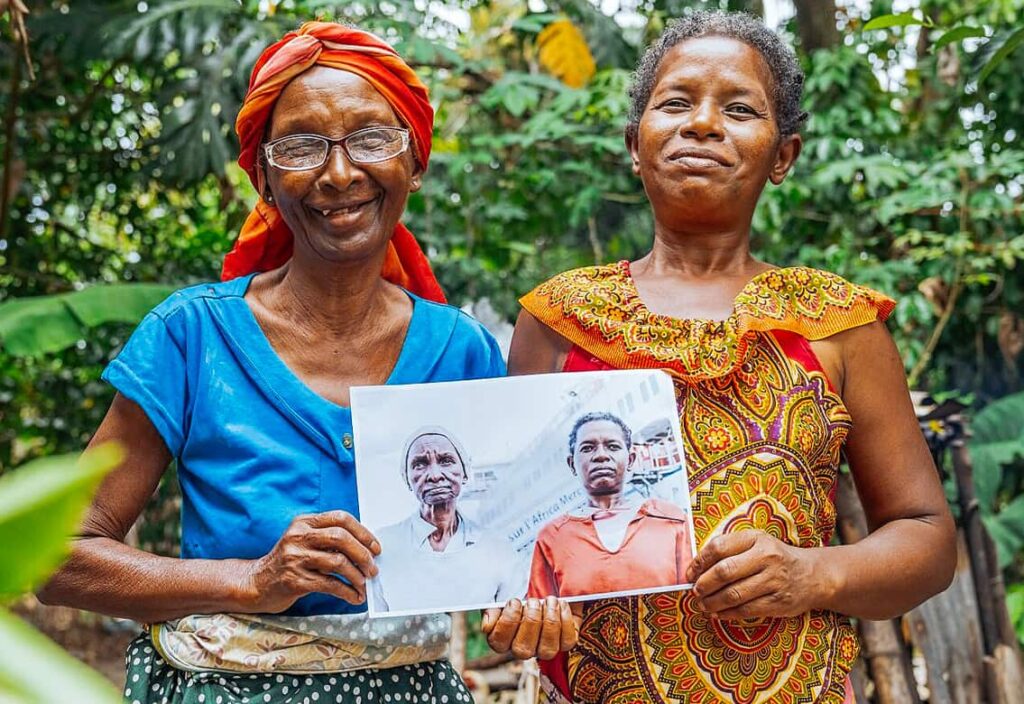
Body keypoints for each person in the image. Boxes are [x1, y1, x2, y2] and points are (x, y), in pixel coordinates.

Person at [37, 22, 538, 703]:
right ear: (265, 178)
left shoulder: (463, 351)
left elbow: (510, 562)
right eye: (302, 146)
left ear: (414, 164)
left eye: (371, 139)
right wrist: (251, 581)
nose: (339, 172)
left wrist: (529, 611)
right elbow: (59, 555)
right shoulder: (192, 337)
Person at [482, 11, 956, 704]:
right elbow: (512, 539)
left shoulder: (838, 324)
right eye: (675, 103)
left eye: (739, 108)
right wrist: (523, 611)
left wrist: (812, 575)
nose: (702, 124)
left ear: (783, 155)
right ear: (634, 145)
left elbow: (927, 537)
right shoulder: (560, 320)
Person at [527, 412, 692, 598]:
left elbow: (691, 600)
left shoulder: (671, 519)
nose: (601, 456)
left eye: (612, 446)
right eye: (588, 448)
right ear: (571, 464)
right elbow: (541, 613)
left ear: (630, 459)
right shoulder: (551, 537)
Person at [372, 427, 524, 612]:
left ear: (465, 473)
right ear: (407, 479)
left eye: (446, 461)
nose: (435, 475)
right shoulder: (382, 547)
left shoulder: (499, 550)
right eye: (419, 464)